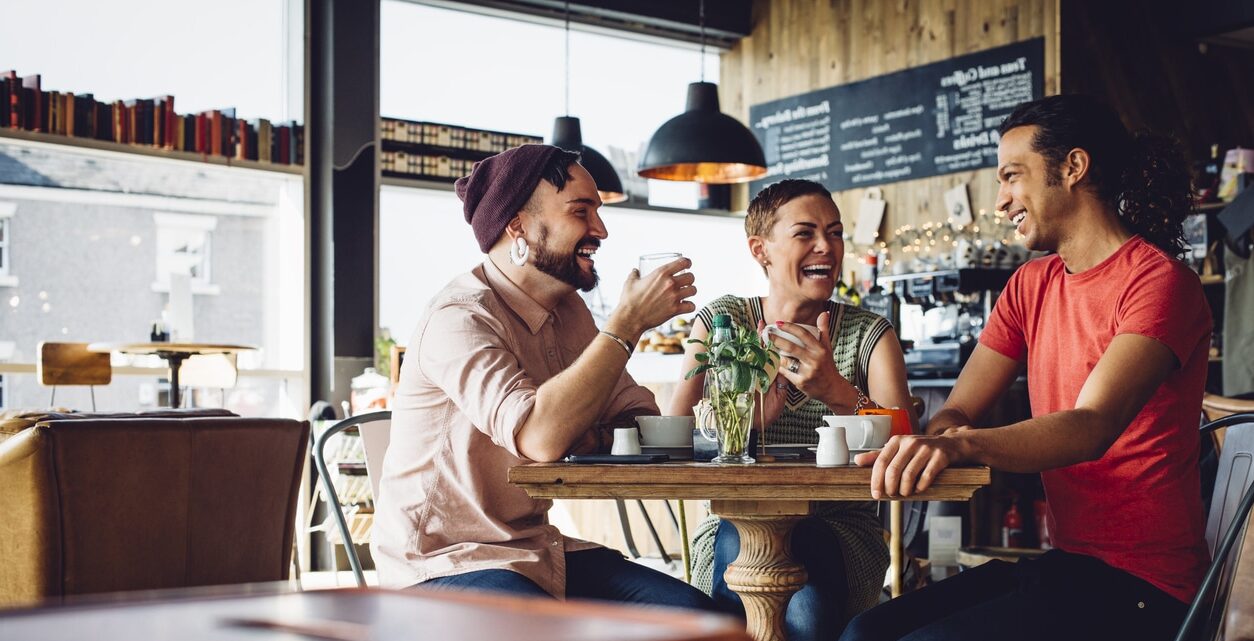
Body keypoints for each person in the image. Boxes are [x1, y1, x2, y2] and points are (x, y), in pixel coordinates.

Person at [840, 94, 1212, 641]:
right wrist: (941, 435)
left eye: (1012, 176)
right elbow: (961, 406)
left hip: (1148, 589)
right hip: (1068, 566)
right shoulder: (1031, 285)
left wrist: (961, 445)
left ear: (1073, 168)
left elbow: (1092, 426)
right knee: (864, 633)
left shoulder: (1158, 283)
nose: (1000, 201)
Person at [373, 144, 713, 610]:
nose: (601, 230)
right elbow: (541, 437)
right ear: (518, 225)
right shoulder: (460, 319)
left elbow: (637, 418)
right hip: (444, 564)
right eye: (582, 210)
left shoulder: (571, 312)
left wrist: (586, 428)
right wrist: (626, 325)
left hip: (538, 551)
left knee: (708, 619)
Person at [668, 178, 916, 639]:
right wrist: (739, 425)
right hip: (731, 527)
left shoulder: (868, 332)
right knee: (750, 549)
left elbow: (908, 438)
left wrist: (835, 390)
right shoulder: (723, 322)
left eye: (836, 232)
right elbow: (674, 435)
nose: (827, 246)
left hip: (841, 533)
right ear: (760, 250)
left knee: (802, 600)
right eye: (806, 233)